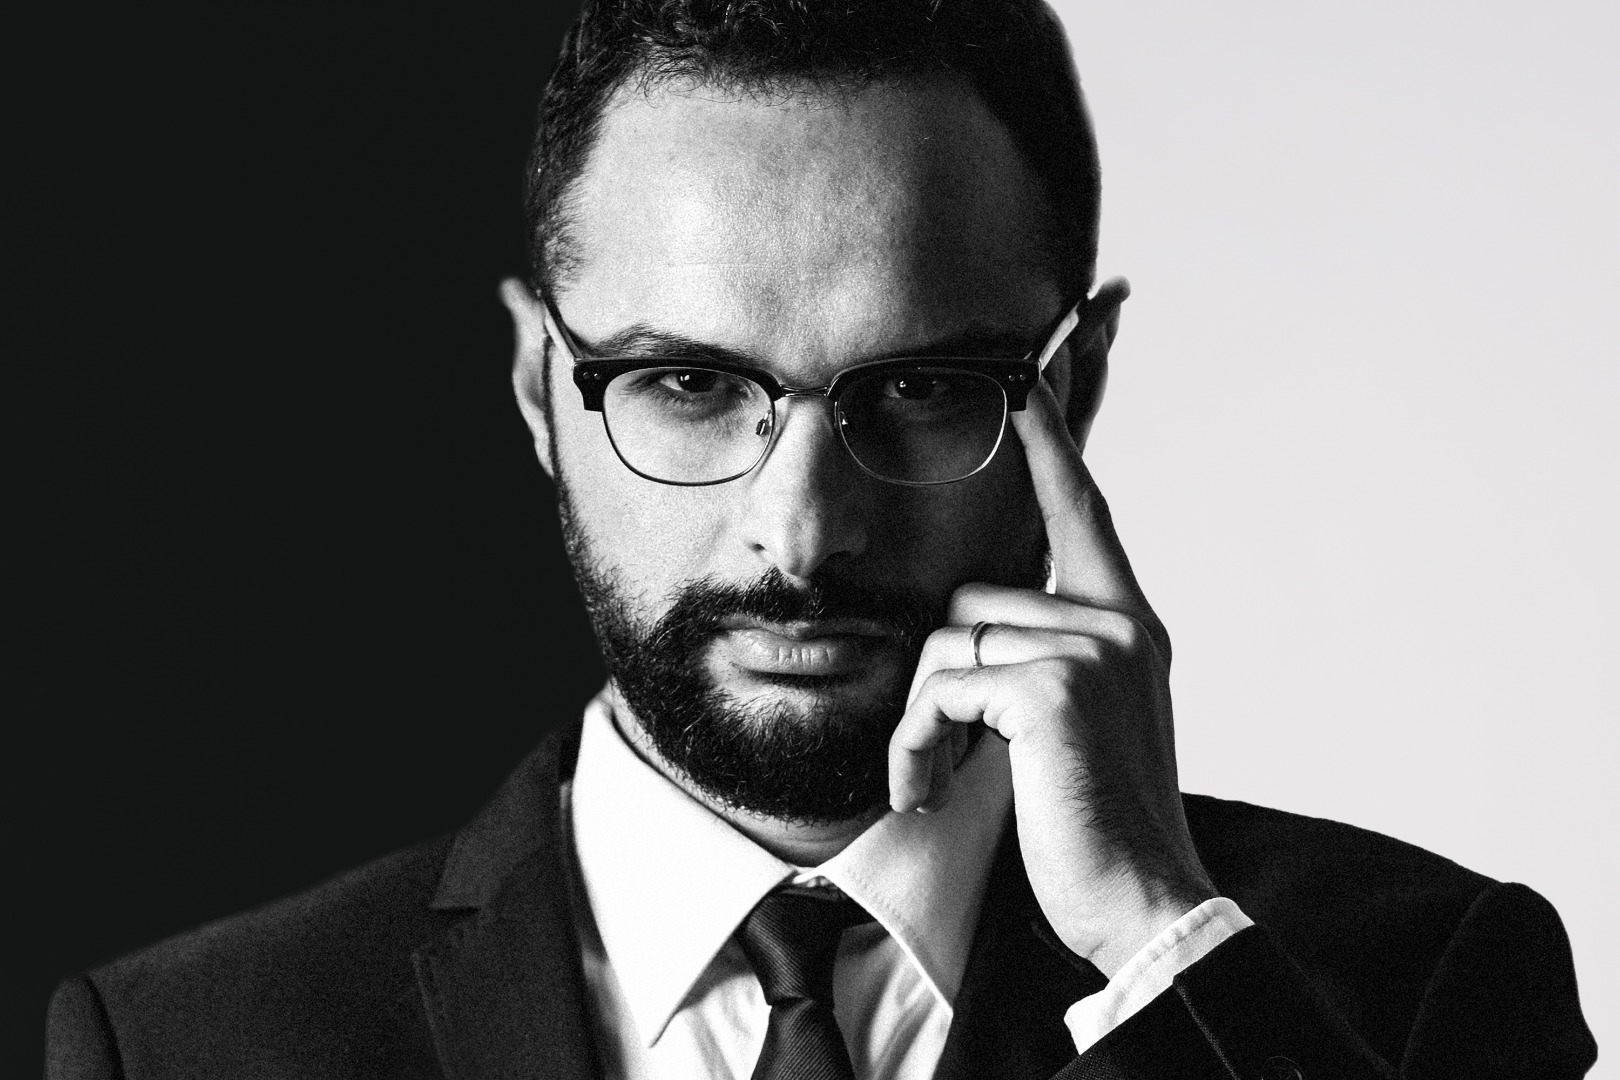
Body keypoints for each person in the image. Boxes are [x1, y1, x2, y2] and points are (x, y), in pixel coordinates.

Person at [45, 1, 1597, 1077]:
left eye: (917, 389)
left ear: (1075, 386)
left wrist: (1158, 948)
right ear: (538, 390)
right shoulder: (183, 1049)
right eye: (688, 386)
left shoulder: (1423, 991)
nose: (798, 528)